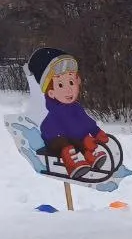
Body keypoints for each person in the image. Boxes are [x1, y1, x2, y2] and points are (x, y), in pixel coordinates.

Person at [27, 47, 115, 180]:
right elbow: (54, 129)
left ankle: (90, 155)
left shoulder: (76, 108)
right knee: (66, 144)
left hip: (73, 137)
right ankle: (72, 163)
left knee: (84, 140)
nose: (69, 90)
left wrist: (96, 131)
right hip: (56, 138)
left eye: (71, 82)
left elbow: (86, 121)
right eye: (61, 85)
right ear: (51, 92)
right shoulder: (56, 112)